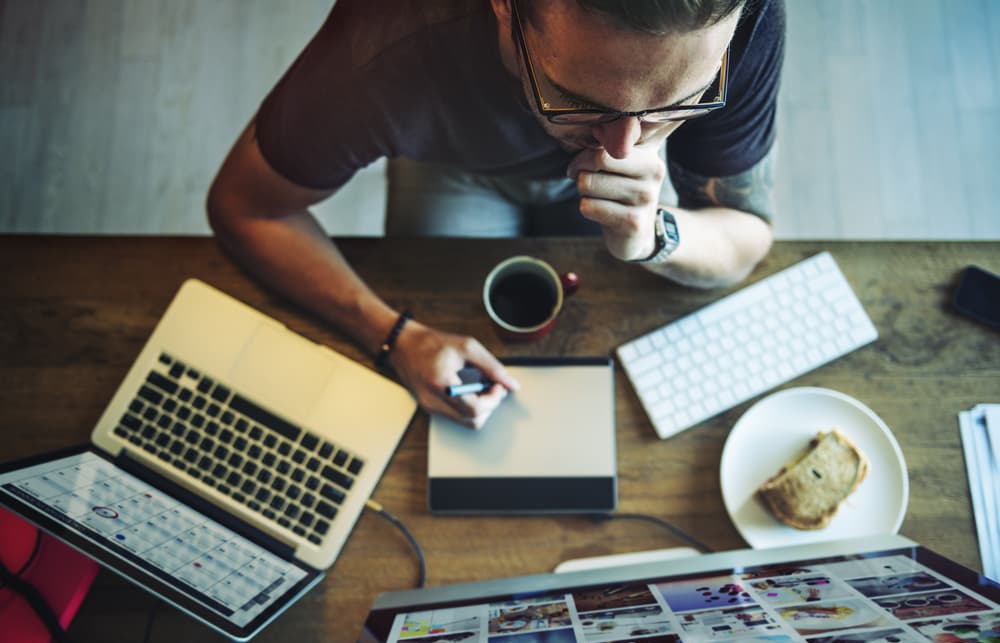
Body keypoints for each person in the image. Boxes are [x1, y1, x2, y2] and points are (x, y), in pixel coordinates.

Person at [206, 0, 784, 429]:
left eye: (679, 105)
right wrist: (394, 337)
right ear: (505, 7)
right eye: (577, 101)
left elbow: (747, 234)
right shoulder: (383, 44)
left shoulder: (742, 20)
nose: (621, 152)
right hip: (453, 167)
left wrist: (657, 231)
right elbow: (245, 208)